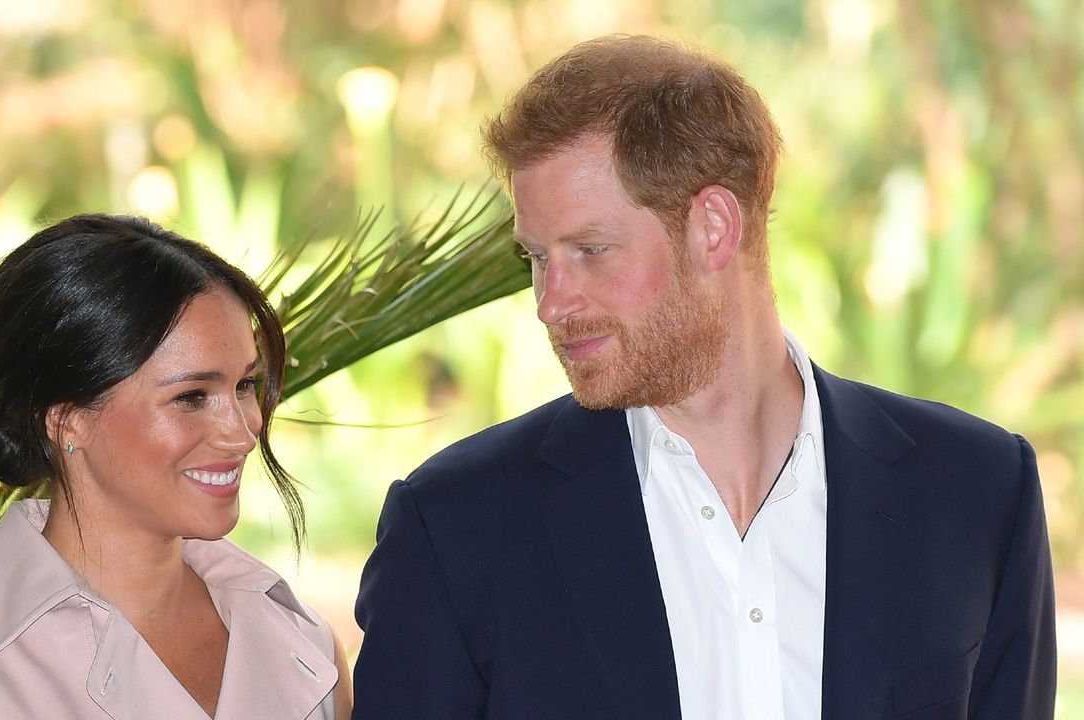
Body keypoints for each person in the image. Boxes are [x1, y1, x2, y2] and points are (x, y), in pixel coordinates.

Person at [352, 34, 1055, 719]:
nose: (549, 301)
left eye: (590, 250)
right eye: (536, 256)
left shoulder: (978, 491)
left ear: (713, 227)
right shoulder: (454, 528)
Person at [0, 214, 352, 720]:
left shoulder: (302, 642)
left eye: (244, 385)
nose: (243, 430)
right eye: (192, 397)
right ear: (67, 420)